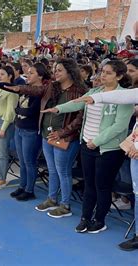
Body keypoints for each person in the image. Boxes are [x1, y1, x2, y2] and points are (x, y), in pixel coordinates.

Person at [43, 60, 134, 233]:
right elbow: (77, 102)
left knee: (102, 186)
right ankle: (85, 217)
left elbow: (120, 126)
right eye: (102, 72)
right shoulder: (95, 91)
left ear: (119, 76)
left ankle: (99, 220)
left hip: (108, 150)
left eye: (108, 73)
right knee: (89, 185)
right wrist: (57, 109)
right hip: (86, 144)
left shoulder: (124, 97)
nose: (103, 75)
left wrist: (96, 141)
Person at [3, 58, 87, 218]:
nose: (55, 72)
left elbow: (79, 118)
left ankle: (65, 205)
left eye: (59, 70)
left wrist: (62, 132)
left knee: (63, 171)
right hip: (46, 134)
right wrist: (19, 88)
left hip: (65, 138)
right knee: (52, 170)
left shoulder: (79, 91)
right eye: (55, 69)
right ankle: (52, 199)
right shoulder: (52, 87)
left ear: (70, 72)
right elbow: (36, 91)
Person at [10, 63, 50, 201]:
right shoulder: (25, 89)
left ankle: (29, 189)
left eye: (31, 73)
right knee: (21, 160)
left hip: (30, 130)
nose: (28, 74)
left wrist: (20, 111)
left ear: (40, 75)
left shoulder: (40, 92)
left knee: (29, 161)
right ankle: (22, 185)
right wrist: (20, 111)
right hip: (19, 127)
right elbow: (18, 108)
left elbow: (32, 111)